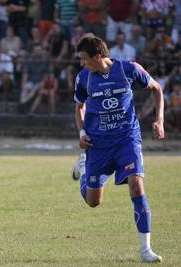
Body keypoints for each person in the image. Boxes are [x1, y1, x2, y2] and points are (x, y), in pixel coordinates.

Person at [72, 34, 165, 263]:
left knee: (136, 185)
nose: (81, 64)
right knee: (93, 201)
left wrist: (159, 119)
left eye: (84, 59)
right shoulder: (84, 78)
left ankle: (146, 250)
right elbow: (79, 107)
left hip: (127, 140)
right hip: (98, 145)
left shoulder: (128, 69)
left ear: (98, 56)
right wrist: (82, 133)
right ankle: (84, 167)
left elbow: (157, 89)